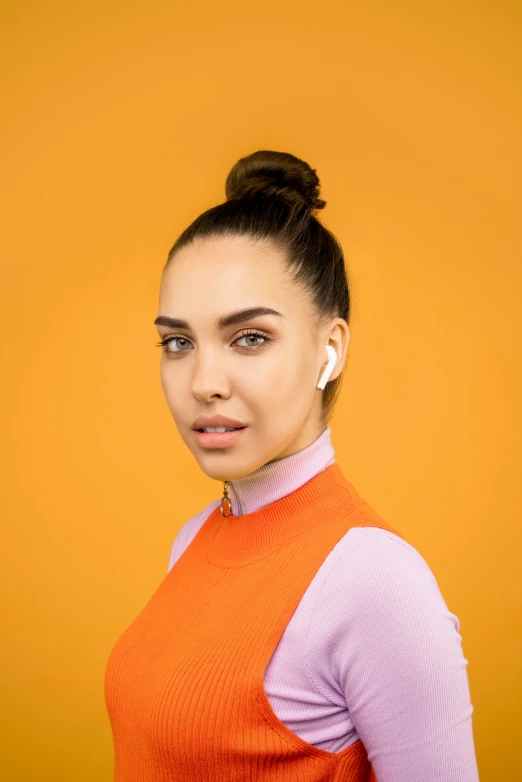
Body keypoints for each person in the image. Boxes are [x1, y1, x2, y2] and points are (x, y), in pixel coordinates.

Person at [104, 150, 480, 781]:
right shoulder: (194, 537)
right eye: (178, 342)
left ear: (328, 351)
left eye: (249, 337)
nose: (203, 382)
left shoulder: (374, 579)